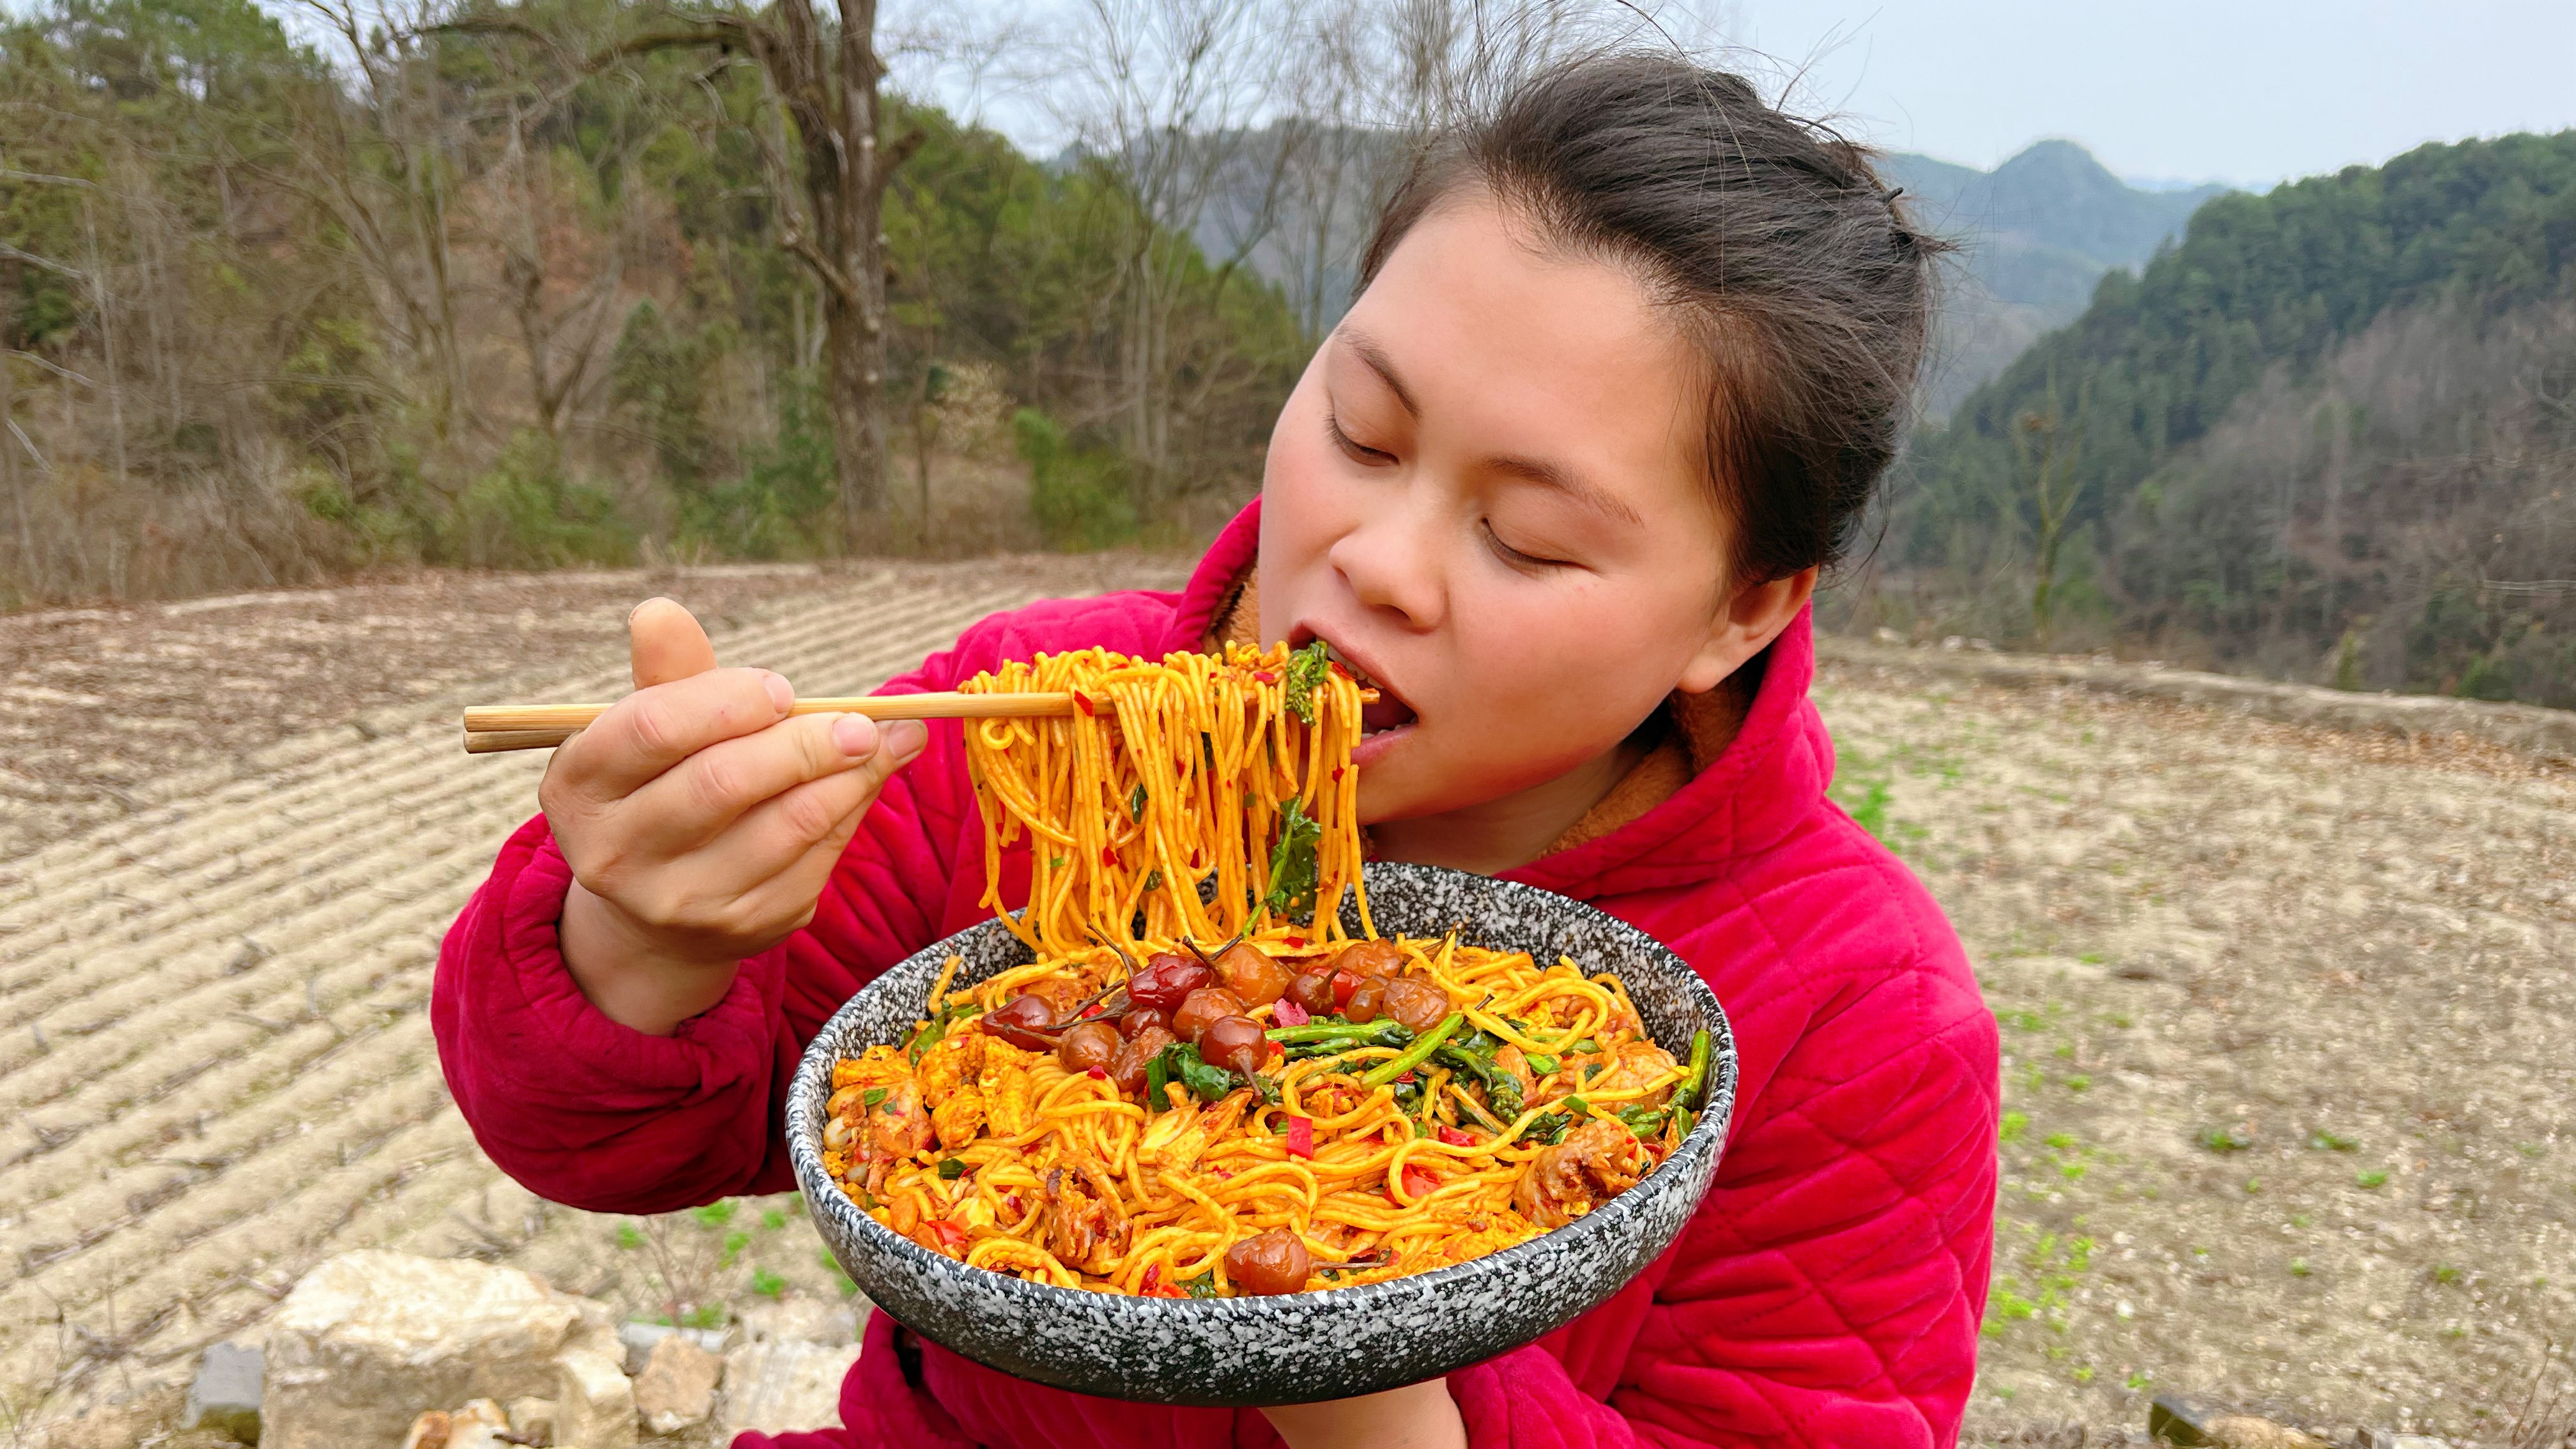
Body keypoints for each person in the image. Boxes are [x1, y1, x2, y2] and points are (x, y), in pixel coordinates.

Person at [436, 49, 1998, 1449]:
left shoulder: (1860, 1013)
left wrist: (1356, 1327)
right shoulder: (1046, 713)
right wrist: (635, 933)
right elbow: (596, 1132)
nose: (1377, 559)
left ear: (1741, 608)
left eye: (1526, 540)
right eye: (1364, 436)